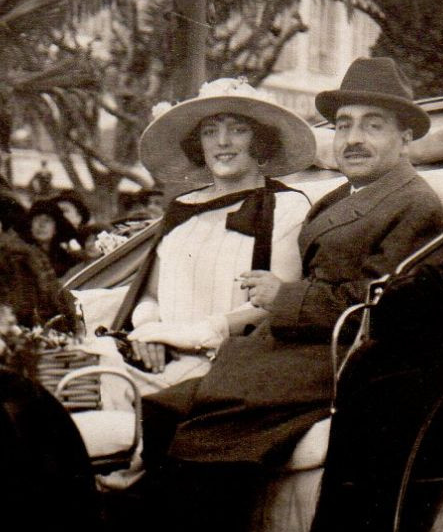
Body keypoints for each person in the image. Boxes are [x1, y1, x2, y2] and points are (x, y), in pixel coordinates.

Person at [141, 57, 443, 499]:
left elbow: (383, 302)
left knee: (205, 431)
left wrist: (283, 297)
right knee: (162, 409)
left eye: (372, 126)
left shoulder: (415, 205)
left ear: (405, 137)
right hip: (297, 345)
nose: (353, 139)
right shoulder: (341, 197)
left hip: (347, 358)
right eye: (343, 126)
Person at [87, 78, 315, 391]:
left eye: (237, 129)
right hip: (158, 359)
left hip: (232, 368)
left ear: (260, 140)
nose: (222, 141)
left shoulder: (286, 206)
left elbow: (273, 304)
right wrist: (150, 332)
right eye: (210, 131)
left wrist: (194, 334)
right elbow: (151, 294)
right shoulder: (181, 207)